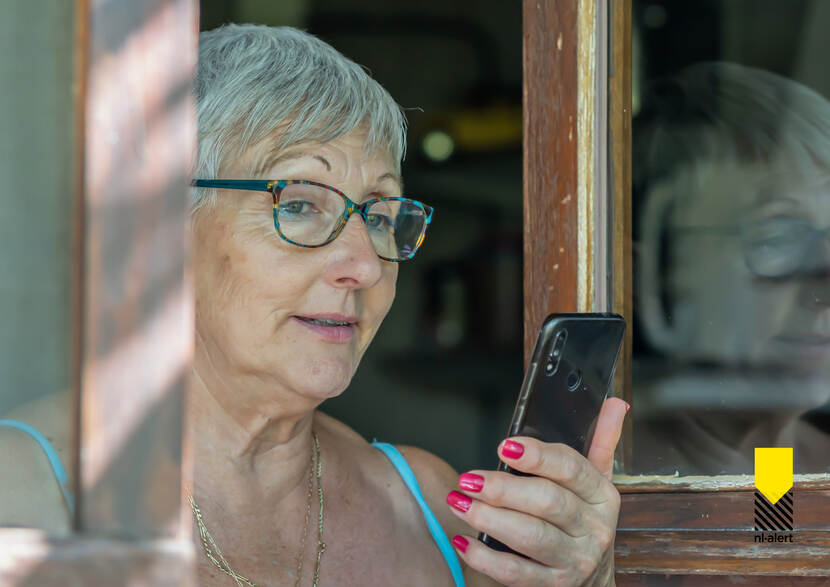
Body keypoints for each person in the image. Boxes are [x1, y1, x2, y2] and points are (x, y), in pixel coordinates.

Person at [0, 24, 628, 586]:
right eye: (299, 204)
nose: (363, 265)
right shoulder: (20, 502)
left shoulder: (433, 508)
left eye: (381, 214)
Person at [632, 62, 830, 474]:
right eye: (777, 235)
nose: (823, 283)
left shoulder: (785, 464)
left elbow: (772, 536)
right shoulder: (610, 491)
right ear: (653, 280)